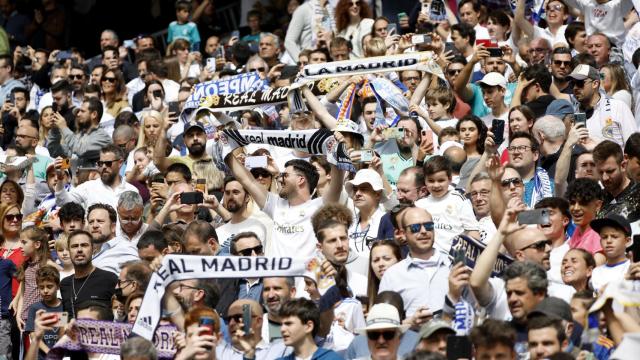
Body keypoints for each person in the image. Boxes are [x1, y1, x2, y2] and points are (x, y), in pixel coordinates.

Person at [379, 207, 450, 317]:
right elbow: (383, 320)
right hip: (412, 333)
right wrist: (410, 323)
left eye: (428, 226)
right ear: (403, 233)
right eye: (415, 228)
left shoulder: (453, 265)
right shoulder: (392, 275)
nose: (423, 231)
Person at [415, 155, 480, 253]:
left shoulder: (459, 200)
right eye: (431, 181)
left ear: (450, 179)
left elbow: (473, 232)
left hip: (453, 259)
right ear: (425, 180)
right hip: (427, 259)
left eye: (441, 180)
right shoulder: (420, 205)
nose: (436, 185)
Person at [54, 144, 139, 210]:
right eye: (101, 163)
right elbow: (63, 202)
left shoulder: (131, 190)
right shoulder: (89, 187)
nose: (104, 167)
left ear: (120, 163)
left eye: (108, 163)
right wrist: (60, 178)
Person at [568, 65, 636, 147]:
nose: (575, 88)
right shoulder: (574, 115)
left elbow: (634, 145)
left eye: (580, 83)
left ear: (595, 84)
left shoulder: (618, 106)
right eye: (572, 84)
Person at [59, 230, 118, 318]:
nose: (79, 250)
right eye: (74, 246)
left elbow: (119, 314)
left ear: (93, 249)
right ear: (69, 251)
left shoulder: (109, 279)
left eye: (84, 245)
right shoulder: (64, 283)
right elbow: (64, 316)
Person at [218, 299, 290, 359]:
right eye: (229, 319)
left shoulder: (278, 352)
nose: (231, 323)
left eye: (238, 318)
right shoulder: (218, 351)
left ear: (258, 321)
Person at [592, 140, 640, 229]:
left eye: (610, 171)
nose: (604, 177)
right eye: (600, 172)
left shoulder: (638, 194)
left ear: (623, 166)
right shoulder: (596, 199)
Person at [216, 176, 269, 255]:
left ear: (247, 197)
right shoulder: (218, 232)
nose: (231, 196)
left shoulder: (259, 225)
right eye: (227, 193)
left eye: (235, 192)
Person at [276, 298, 342, 360]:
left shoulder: (331, 358)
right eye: (281, 324)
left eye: (288, 323)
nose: (282, 329)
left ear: (308, 326)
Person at [87, 202, 139, 275]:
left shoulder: (125, 248)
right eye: (91, 222)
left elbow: (136, 280)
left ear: (113, 227)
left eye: (100, 221)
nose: (95, 225)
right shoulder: (86, 252)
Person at [25, 265, 62, 360]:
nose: (45, 291)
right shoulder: (35, 308)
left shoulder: (65, 307)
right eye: (41, 287)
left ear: (58, 286)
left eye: (49, 286)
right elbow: (33, 335)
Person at [566, 178, 606, 265]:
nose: (576, 208)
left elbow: (597, 272)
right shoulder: (577, 231)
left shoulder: (598, 235)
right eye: (572, 202)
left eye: (583, 203)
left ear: (598, 205)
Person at [589, 214, 633, 291]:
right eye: (604, 237)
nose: (608, 241)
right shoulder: (595, 273)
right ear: (600, 242)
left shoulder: (634, 267)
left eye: (614, 236)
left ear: (627, 241)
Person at [366, 240, 401, 310]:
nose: (381, 264)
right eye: (376, 260)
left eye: (386, 259)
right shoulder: (366, 293)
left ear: (399, 261)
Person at [261, 277, 296, 343]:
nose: (270, 295)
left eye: (277, 288)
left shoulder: (305, 325)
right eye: (266, 289)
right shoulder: (254, 327)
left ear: (292, 292)